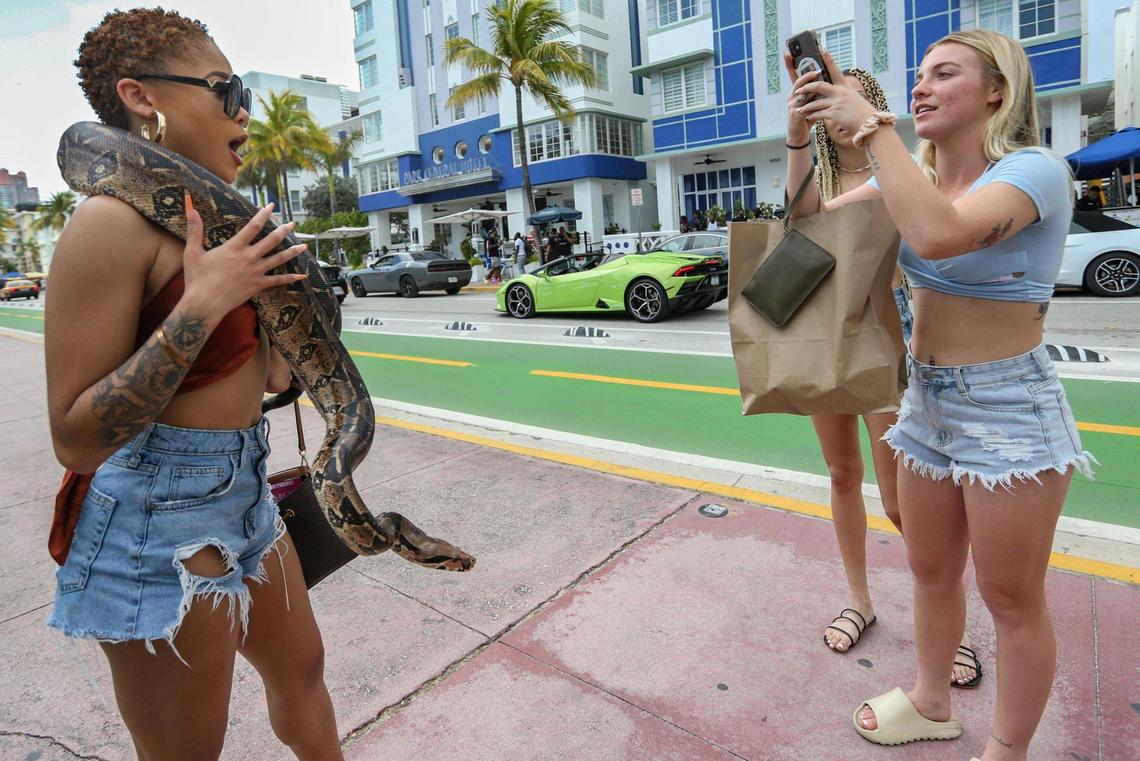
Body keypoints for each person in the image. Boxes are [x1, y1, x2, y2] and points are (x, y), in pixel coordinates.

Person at [45, 9, 344, 760]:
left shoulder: (225, 223)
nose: (244, 110)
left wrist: (298, 306)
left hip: (246, 487)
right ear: (142, 99)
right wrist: (206, 298)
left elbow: (273, 378)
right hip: (154, 515)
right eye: (225, 88)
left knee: (303, 672)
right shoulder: (108, 226)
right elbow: (75, 437)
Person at [792, 30, 1094, 760]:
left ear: (997, 90)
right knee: (929, 570)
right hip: (925, 400)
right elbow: (809, 229)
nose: (921, 86)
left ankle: (1006, 748)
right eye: (918, 75)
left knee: (1011, 598)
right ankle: (931, 701)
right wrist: (801, 136)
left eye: (944, 74)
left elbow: (937, 234)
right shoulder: (914, 172)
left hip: (1007, 405)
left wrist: (870, 125)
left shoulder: (1034, 171)